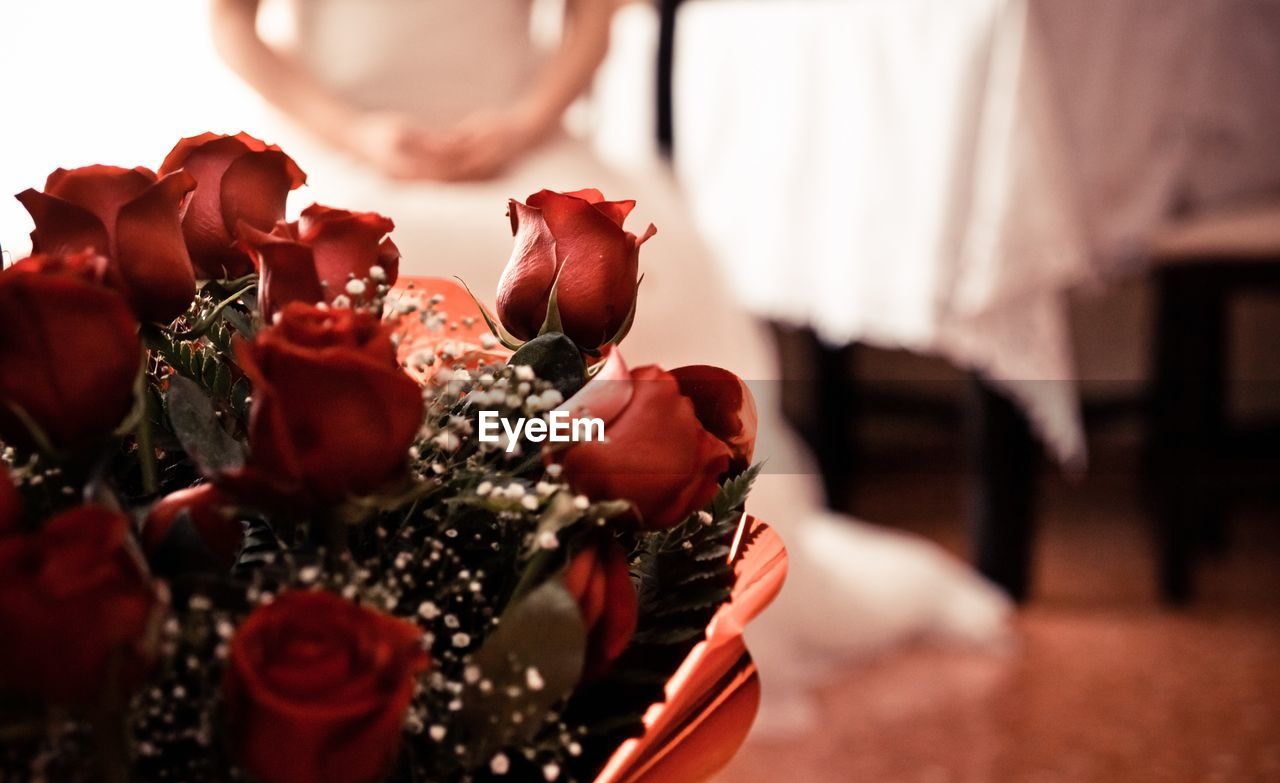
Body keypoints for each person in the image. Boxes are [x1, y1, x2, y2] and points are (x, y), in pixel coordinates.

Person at [211, 0, 1012, 732]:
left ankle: (616, 606)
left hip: (513, 137)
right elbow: (233, 24)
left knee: (634, 263)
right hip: (338, 140)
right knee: (347, 261)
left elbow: (588, 23)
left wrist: (520, 123)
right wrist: (360, 134)